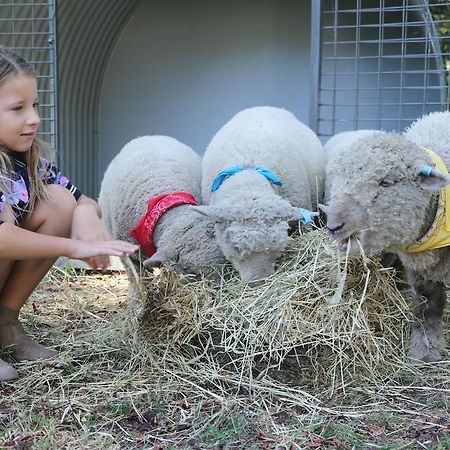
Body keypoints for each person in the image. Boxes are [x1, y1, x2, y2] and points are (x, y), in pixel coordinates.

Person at [0, 47, 138, 381]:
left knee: (60, 201)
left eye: (34, 105)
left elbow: (79, 197)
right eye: (17, 108)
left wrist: (85, 215)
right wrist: (74, 248)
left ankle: (5, 323)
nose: (33, 118)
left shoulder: (26, 158)